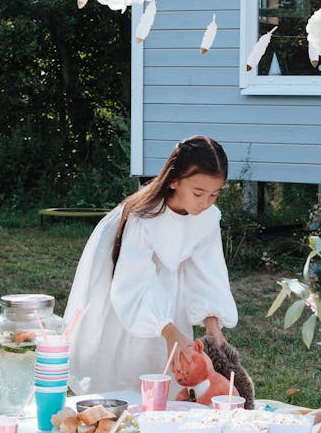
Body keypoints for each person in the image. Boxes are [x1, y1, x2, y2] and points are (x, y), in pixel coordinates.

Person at [64, 136, 238, 394]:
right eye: (198, 193)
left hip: (170, 290)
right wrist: (167, 331)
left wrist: (212, 324)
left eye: (214, 194)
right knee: (126, 361)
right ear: (174, 180)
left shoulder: (207, 218)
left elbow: (206, 272)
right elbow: (134, 284)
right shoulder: (142, 217)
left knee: (167, 371)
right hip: (127, 291)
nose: (205, 202)